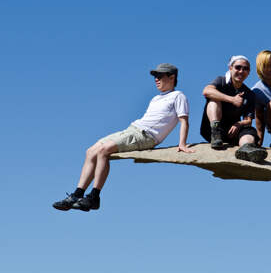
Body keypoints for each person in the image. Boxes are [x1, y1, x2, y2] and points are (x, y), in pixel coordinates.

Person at [52, 63, 194, 212]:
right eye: (155, 77)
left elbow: (184, 121)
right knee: (91, 151)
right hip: (132, 130)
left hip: (146, 136)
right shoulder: (156, 98)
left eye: (160, 76)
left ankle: (94, 197)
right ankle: (77, 195)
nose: (156, 79)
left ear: (172, 77)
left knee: (104, 150)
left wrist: (182, 144)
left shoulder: (178, 96)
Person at [201, 55, 267, 163]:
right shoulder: (221, 81)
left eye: (245, 69)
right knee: (213, 100)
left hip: (231, 131)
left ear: (249, 72)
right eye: (238, 67)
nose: (241, 71)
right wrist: (232, 99)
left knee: (249, 130)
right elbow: (206, 91)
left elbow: (248, 120)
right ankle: (215, 132)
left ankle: (246, 149)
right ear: (230, 68)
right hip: (211, 129)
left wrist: (239, 124)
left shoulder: (249, 94)